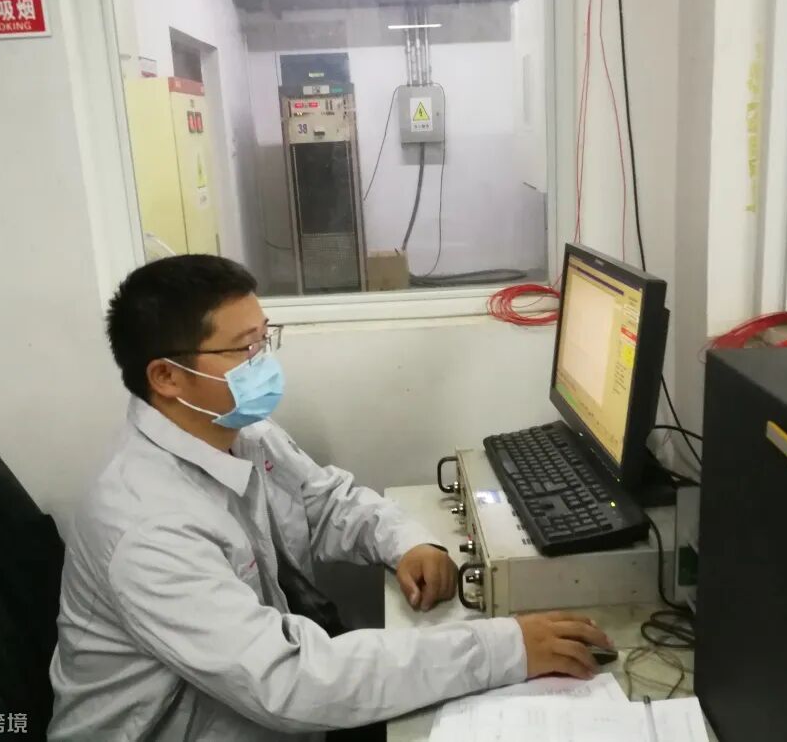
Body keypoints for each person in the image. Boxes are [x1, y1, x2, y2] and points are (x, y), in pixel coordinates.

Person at [47, 255, 611, 741]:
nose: (264, 362)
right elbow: (287, 681)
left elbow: (324, 503)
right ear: (166, 377)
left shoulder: (239, 430)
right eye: (244, 348)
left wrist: (407, 542)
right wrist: (502, 650)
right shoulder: (147, 527)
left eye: (264, 338)